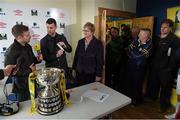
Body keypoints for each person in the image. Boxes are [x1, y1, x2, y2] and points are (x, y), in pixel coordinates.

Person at [145, 19, 180, 112]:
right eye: (161, 27)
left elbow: (175, 57)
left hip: (166, 69)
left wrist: (170, 68)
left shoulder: (175, 40)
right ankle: (151, 97)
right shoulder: (157, 37)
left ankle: (163, 106)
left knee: (165, 88)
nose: (162, 29)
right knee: (153, 84)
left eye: (165, 27)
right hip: (155, 67)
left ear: (170, 28)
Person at [4, 24, 42, 102]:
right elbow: (10, 72)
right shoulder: (11, 51)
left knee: (35, 103)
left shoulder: (28, 46)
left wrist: (38, 59)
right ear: (19, 37)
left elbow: (32, 61)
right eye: (27, 35)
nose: (30, 36)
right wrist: (29, 70)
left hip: (32, 81)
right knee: (25, 109)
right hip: (21, 87)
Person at [126, 28, 152, 105]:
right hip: (132, 66)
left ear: (146, 36)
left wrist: (133, 51)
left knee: (137, 85)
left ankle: (136, 101)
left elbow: (138, 56)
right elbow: (128, 49)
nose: (138, 35)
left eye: (140, 34)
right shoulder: (136, 40)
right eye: (139, 34)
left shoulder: (150, 44)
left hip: (140, 68)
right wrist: (134, 51)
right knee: (131, 83)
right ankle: (131, 99)